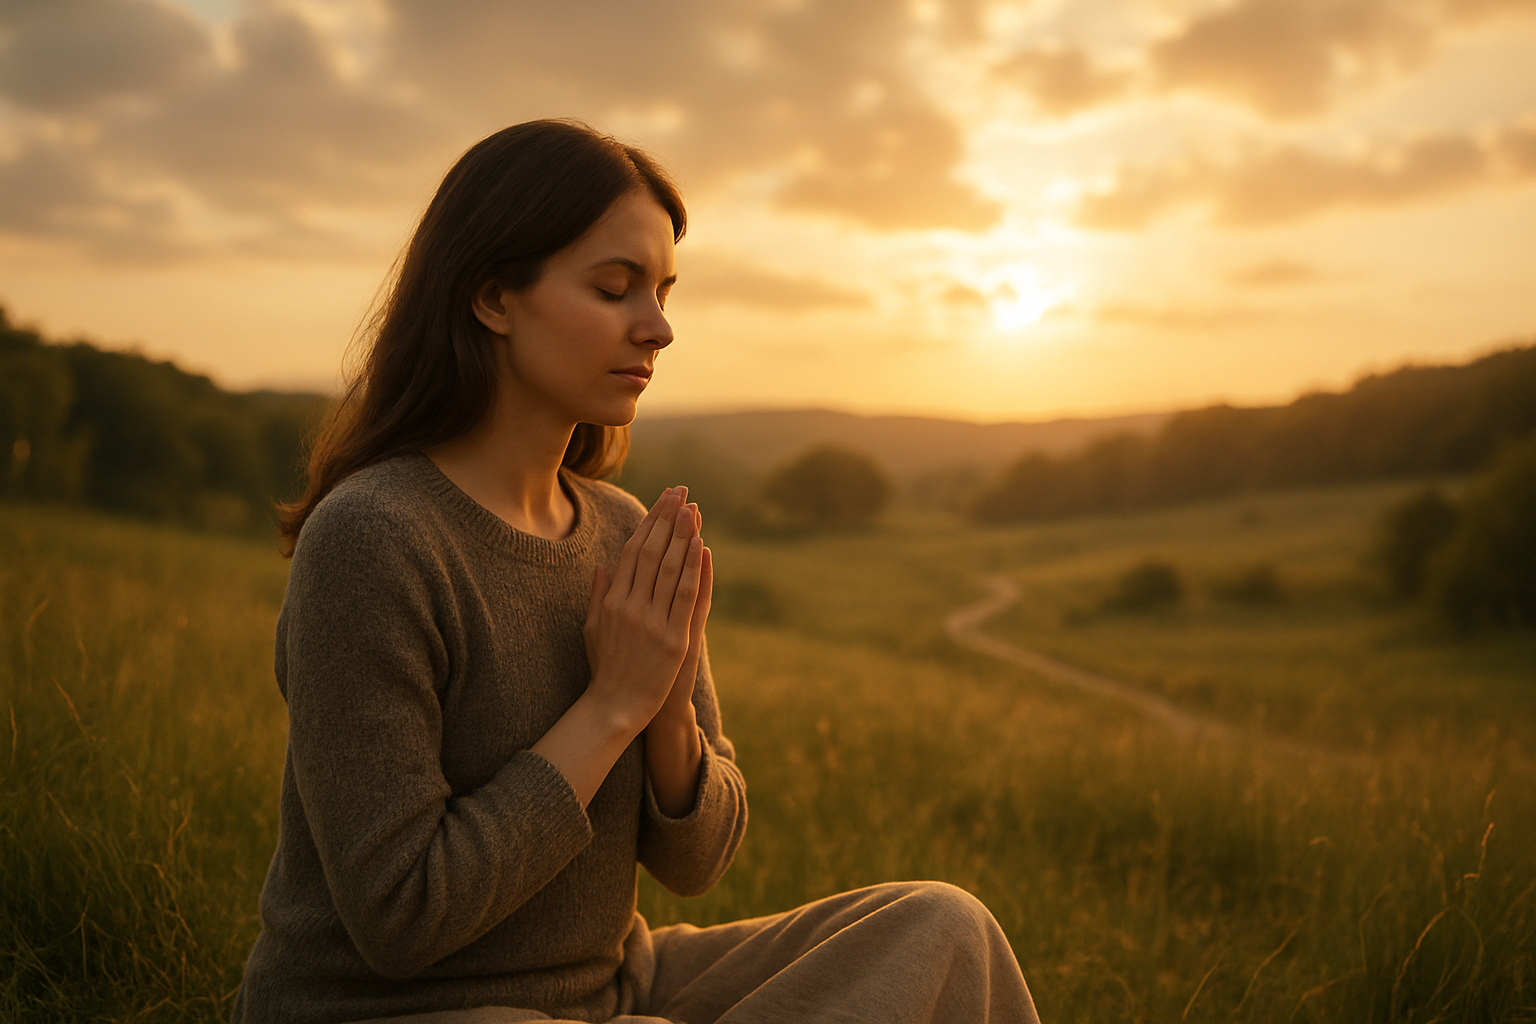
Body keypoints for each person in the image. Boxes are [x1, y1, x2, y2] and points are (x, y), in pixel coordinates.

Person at [233, 119, 1040, 1024]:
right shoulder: (375, 539)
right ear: (494, 296)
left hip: (611, 989)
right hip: (406, 1010)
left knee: (944, 928)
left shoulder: (624, 533)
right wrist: (610, 705)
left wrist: (663, 712)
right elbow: (401, 919)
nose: (657, 328)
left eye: (660, 291)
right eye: (615, 289)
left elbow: (698, 862)